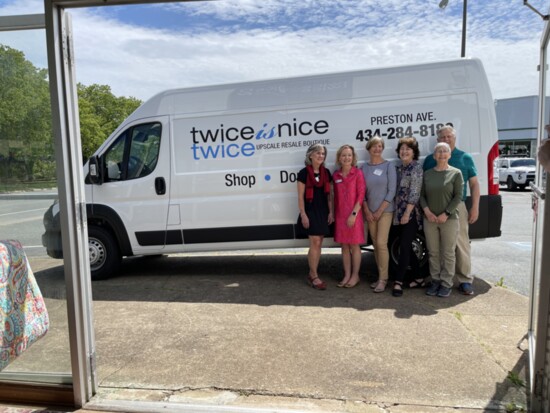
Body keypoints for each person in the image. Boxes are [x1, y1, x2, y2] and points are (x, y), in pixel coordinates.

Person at [423, 125, 479, 295]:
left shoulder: (465, 158)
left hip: (457, 207)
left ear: (454, 138)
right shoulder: (430, 160)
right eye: (443, 137)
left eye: (449, 136)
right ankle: (438, 279)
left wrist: (475, 206)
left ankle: (464, 279)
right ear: (438, 139)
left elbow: (474, 184)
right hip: (433, 208)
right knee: (436, 248)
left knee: (460, 244)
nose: (446, 139)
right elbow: (425, 187)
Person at [421, 142, 464, 298]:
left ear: (449, 154)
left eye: (445, 151)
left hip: (449, 219)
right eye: (439, 151)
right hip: (430, 219)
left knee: (448, 253)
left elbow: (458, 196)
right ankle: (435, 281)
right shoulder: (427, 174)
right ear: (434, 155)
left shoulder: (456, 173)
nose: (442, 154)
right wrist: (427, 212)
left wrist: (446, 213)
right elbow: (422, 196)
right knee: (433, 252)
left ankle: (446, 283)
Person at [361, 137, 396, 293]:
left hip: (385, 211)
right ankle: (380, 277)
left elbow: (392, 191)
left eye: (380, 146)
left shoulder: (389, 166)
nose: (377, 149)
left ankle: (383, 279)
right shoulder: (363, 168)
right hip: (369, 213)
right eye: (374, 146)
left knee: (381, 243)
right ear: (369, 149)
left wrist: (379, 210)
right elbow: (360, 193)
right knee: (375, 245)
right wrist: (367, 211)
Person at [297, 143, 334, 290]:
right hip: (310, 211)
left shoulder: (327, 173)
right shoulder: (303, 173)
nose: (321, 156)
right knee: (315, 241)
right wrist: (303, 214)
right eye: (318, 153)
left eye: (323, 154)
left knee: (320, 242)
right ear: (310, 155)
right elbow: (300, 197)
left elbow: (330, 195)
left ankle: (313, 273)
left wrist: (331, 212)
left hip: (323, 210)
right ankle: (313, 275)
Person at [392, 136, 424, 297]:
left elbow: (415, 192)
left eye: (408, 149)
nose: (404, 152)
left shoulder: (416, 168)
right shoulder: (399, 168)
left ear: (414, 152)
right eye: (402, 149)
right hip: (398, 214)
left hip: (410, 214)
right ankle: (419, 277)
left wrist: (407, 213)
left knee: (404, 246)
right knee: (406, 246)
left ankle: (398, 282)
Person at [333, 144, 366, 288]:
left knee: (354, 245)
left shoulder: (357, 173)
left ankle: (355, 275)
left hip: (354, 214)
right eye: (344, 155)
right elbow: (333, 197)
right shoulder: (336, 175)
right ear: (339, 158)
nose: (347, 158)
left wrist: (353, 214)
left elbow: (361, 195)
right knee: (344, 246)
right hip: (340, 216)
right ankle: (346, 274)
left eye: (349, 155)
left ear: (353, 158)